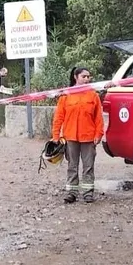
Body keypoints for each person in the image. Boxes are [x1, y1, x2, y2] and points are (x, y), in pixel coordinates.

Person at [51, 67, 104, 203]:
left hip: (88, 136)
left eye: (88, 77)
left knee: (88, 166)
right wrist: (56, 136)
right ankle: (72, 192)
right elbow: (58, 117)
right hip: (71, 136)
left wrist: (99, 134)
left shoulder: (93, 95)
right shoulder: (66, 95)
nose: (87, 79)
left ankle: (88, 193)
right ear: (76, 77)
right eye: (84, 76)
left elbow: (98, 118)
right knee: (72, 165)